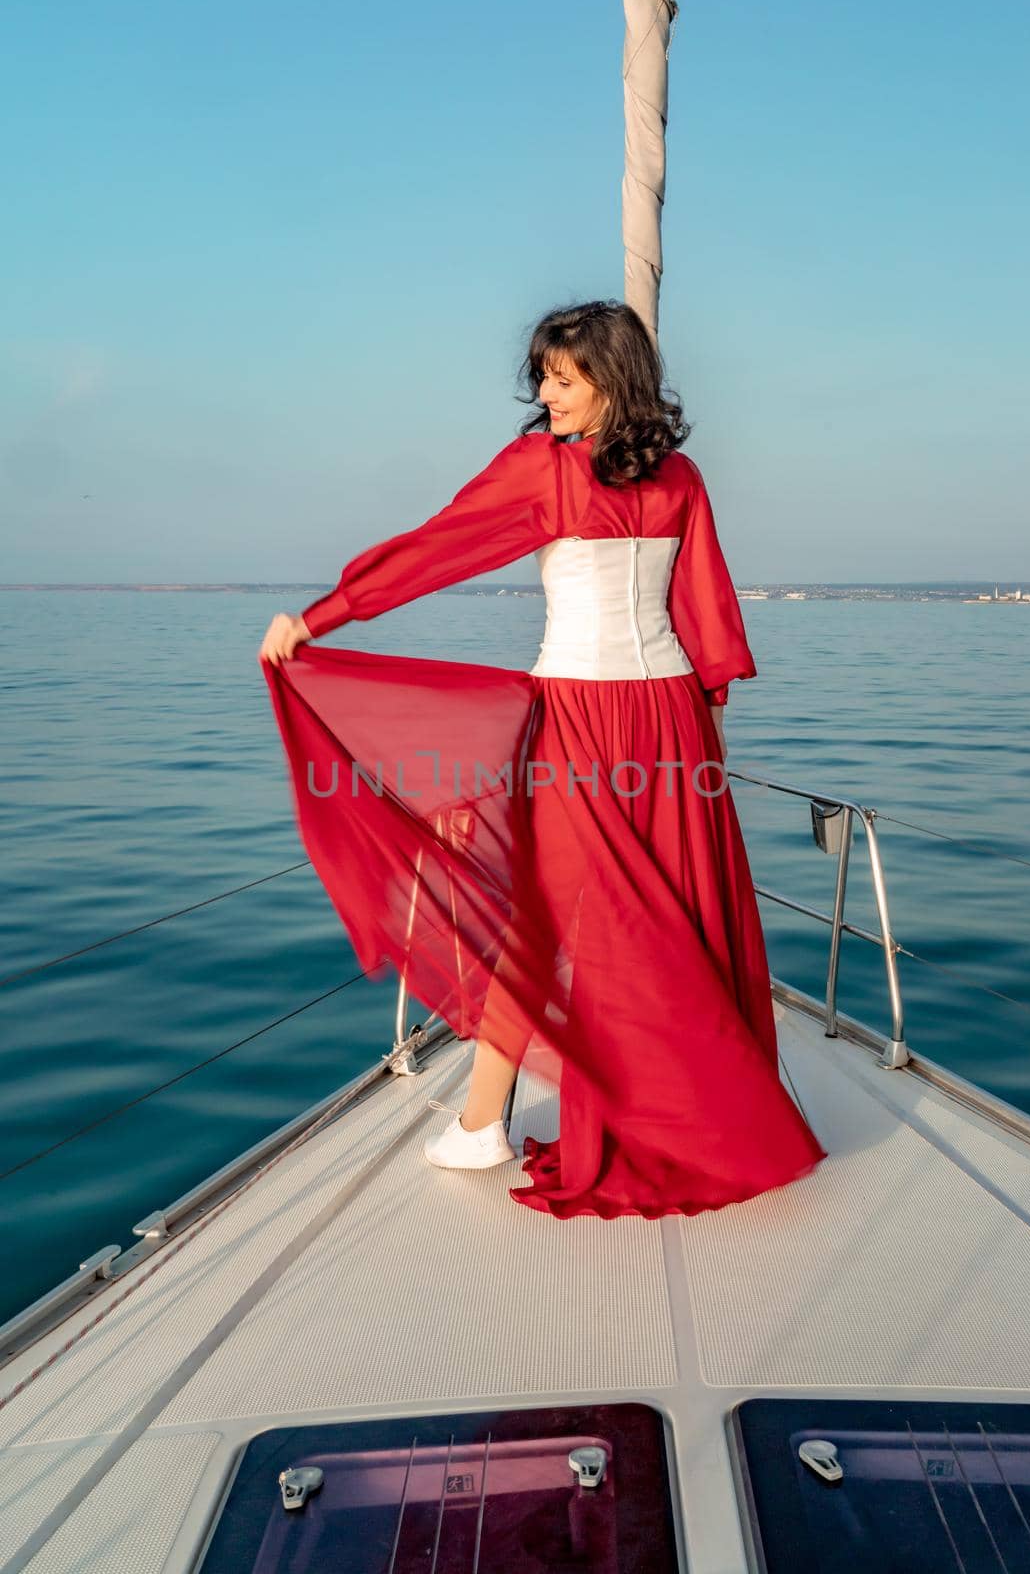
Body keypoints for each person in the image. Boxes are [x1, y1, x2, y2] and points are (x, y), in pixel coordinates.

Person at [259, 300, 827, 1219]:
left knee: (542, 924)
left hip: (578, 721)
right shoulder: (679, 476)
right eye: (543, 378)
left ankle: (494, 1122)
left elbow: (433, 548)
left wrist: (320, 618)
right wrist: (705, 725)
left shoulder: (547, 471)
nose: (546, 393)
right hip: (671, 721)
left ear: (613, 376)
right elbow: (707, 611)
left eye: (564, 377)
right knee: (667, 915)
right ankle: (518, 1117)